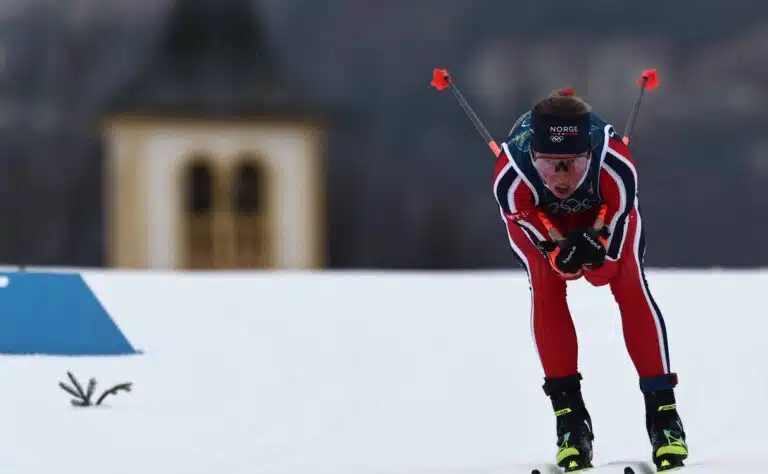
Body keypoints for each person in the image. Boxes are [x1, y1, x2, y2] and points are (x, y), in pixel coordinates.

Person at [492, 89, 688, 472]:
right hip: (539, 217)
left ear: (589, 156)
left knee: (625, 283)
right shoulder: (511, 179)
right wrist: (557, 250)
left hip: (605, 212)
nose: (562, 179)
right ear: (532, 157)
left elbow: (605, 268)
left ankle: (664, 417)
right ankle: (570, 420)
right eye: (550, 165)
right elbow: (542, 243)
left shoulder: (615, 165)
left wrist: (594, 249)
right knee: (548, 288)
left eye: (573, 165)